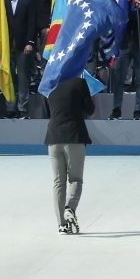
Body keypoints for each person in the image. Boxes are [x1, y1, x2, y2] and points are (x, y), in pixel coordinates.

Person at [44, 78, 93, 234]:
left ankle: (62, 225)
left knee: (58, 181)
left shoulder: (48, 83)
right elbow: (90, 109)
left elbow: (48, 111)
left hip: (53, 137)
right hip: (74, 137)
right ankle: (70, 208)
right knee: (75, 179)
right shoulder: (79, 83)